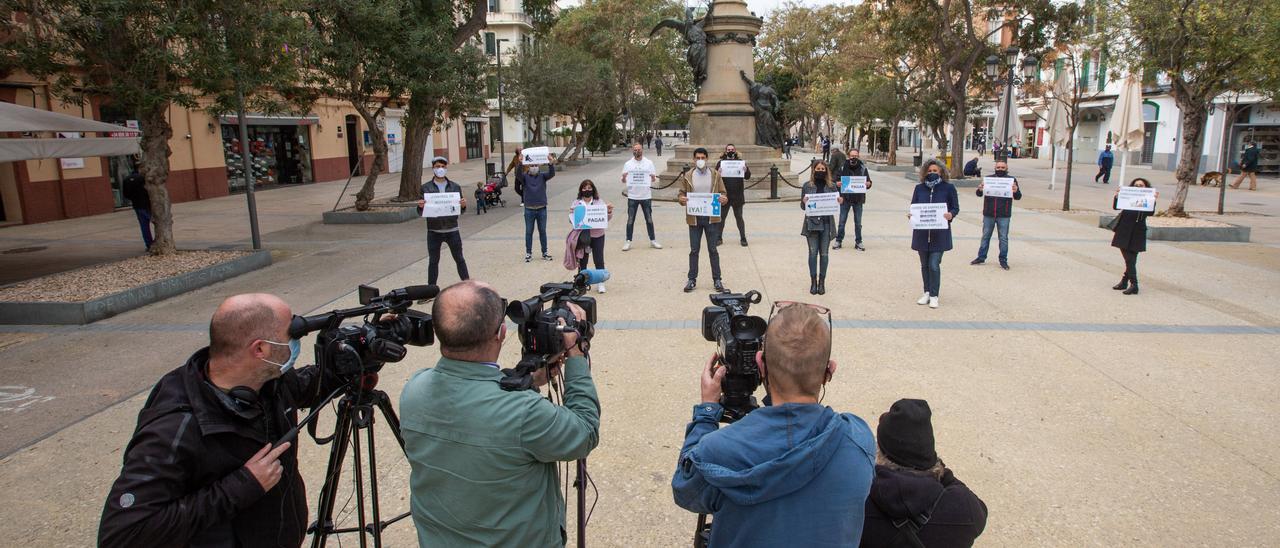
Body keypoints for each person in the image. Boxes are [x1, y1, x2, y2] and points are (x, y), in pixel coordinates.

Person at [99, 293, 340, 547]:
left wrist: (362, 356)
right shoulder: (175, 427)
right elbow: (122, 536)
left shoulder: (265, 381)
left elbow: (306, 385)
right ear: (260, 349)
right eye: (291, 335)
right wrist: (239, 488)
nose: (294, 342)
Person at [400, 281, 599, 546]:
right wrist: (576, 352)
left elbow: (477, 402)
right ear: (501, 333)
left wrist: (528, 379)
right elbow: (584, 431)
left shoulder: (414, 389)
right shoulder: (525, 412)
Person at [671, 302, 876, 547]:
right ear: (829, 370)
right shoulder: (858, 439)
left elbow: (685, 489)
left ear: (761, 364)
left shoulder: (718, 451)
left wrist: (706, 413)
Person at [861, 399, 988, 548]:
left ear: (880, 453)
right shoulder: (965, 509)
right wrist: (937, 468)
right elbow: (981, 511)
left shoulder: (859, 506)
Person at [908, 159, 960, 309]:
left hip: (939, 234)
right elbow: (914, 206)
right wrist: (912, 215)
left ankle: (934, 295)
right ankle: (926, 292)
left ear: (941, 172)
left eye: (935, 171)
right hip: (922, 234)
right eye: (929, 171)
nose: (932, 173)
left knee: (934, 264)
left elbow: (955, 207)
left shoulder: (949, 188)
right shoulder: (919, 188)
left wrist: (951, 214)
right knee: (924, 265)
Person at [678, 147, 729, 293]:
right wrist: (682, 199)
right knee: (694, 250)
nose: (700, 160)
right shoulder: (688, 175)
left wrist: (723, 199)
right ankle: (692, 279)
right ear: (694, 159)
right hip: (694, 218)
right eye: (697, 158)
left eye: (703, 158)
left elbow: (723, 193)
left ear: (707, 158)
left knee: (713, 249)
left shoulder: (715, 174)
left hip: (711, 218)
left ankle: (717, 279)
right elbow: (681, 194)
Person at [417, 157, 470, 285]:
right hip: (434, 231)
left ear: (446, 168)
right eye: (437, 166)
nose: (440, 169)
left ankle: (468, 286)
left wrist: (463, 205)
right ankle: (430, 290)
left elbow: (460, 210)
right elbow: (420, 211)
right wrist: (420, 206)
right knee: (433, 261)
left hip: (452, 229)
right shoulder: (425, 188)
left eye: (442, 166)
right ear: (433, 168)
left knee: (459, 259)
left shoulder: (455, 187)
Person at [970, 159, 1022, 270]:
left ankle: (1003, 259)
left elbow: (1018, 197)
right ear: (995, 168)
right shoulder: (989, 179)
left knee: (1003, 238)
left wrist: (1016, 190)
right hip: (989, 213)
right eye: (998, 167)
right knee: (985, 236)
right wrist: (980, 189)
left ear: (1007, 169)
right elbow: (979, 194)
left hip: (1004, 214)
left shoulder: (1012, 180)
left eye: (1003, 168)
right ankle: (981, 257)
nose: (1000, 169)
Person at [800, 160, 843, 295]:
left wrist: (839, 201)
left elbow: (836, 204)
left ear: (826, 171)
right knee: (813, 253)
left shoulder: (832, 186)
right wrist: (804, 202)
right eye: (818, 169)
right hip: (811, 224)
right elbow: (803, 207)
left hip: (826, 223)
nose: (820, 171)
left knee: (824, 254)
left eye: (822, 169)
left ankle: (822, 282)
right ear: (814, 170)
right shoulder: (807, 186)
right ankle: (813, 281)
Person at [1111, 178, 1156, 295]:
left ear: (1146, 187)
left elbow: (1150, 213)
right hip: (1123, 230)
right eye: (1136, 185)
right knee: (1129, 259)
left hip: (1137, 232)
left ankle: (1133, 284)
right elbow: (1116, 207)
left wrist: (1153, 200)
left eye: (1141, 185)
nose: (1138, 187)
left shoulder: (1149, 198)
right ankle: (1126, 282)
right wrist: (1117, 196)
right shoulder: (1127, 196)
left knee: (1131, 260)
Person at [568, 179, 613, 293]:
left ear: (593, 189)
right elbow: (572, 221)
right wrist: (572, 214)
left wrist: (608, 212)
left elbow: (605, 219)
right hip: (582, 236)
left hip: (598, 235)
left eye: (589, 188)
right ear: (581, 190)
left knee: (599, 259)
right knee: (582, 260)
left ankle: (600, 282)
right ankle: (581, 282)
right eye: (584, 188)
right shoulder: (576, 203)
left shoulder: (599, 202)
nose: (587, 190)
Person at [515, 152, 557, 262]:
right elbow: (518, 175)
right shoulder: (524, 177)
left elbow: (551, 174)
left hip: (542, 208)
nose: (534, 167)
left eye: (536, 165)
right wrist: (520, 163)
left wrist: (551, 163)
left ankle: (545, 252)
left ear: (538, 166)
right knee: (529, 231)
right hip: (529, 209)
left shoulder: (543, 176)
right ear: (528, 167)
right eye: (532, 165)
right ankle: (528, 253)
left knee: (542, 231)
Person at [621, 142, 663, 251]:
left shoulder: (649, 163)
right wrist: (624, 178)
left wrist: (653, 178)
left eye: (639, 149)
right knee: (630, 220)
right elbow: (623, 180)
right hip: (633, 196)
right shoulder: (628, 164)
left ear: (642, 150)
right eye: (635, 149)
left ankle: (653, 240)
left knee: (649, 219)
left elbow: (653, 179)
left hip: (646, 196)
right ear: (632, 151)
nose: (637, 151)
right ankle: (628, 241)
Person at [834, 148, 874, 251]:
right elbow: (836, 180)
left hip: (858, 199)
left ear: (858, 156)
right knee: (842, 221)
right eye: (852, 156)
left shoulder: (862, 168)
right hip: (845, 198)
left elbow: (868, 181)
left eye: (856, 156)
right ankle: (838, 240)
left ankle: (858, 242)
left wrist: (868, 184)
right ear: (849, 156)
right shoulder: (843, 167)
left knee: (858, 222)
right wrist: (837, 184)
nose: (854, 158)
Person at [715, 144, 751, 247]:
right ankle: (719, 237)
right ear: (725, 151)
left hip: (738, 195)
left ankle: (743, 237)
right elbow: (715, 178)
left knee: (739, 217)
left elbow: (748, 176)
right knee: (722, 218)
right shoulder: (721, 163)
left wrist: (746, 170)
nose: (730, 151)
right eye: (728, 149)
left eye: (732, 149)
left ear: (735, 151)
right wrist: (718, 172)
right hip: (725, 195)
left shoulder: (740, 162)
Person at [121, 167, 154, 250]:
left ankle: (148, 244)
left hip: (137, 205)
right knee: (156, 222)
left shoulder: (126, 179)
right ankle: (158, 241)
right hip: (147, 204)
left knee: (144, 226)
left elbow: (126, 194)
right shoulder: (143, 178)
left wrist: (133, 198)